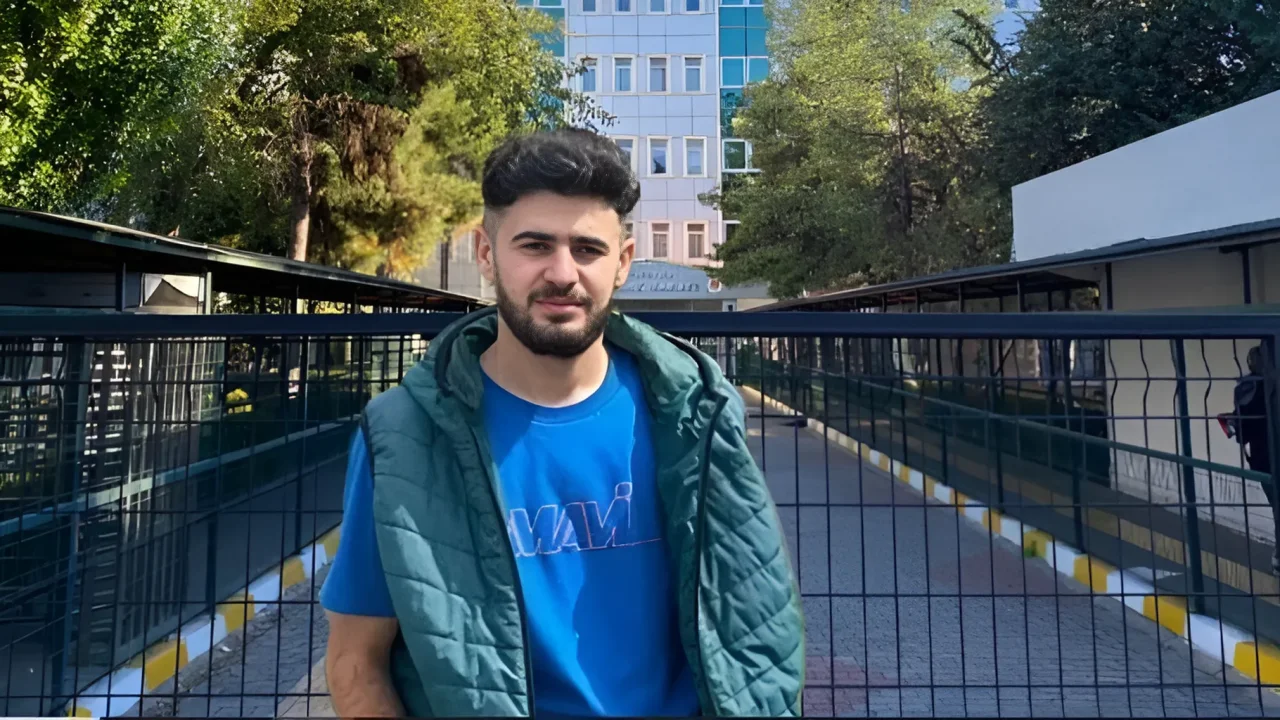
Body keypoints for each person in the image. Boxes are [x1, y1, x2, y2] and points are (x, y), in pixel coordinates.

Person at [318, 128, 804, 718]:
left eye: (588, 249)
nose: (563, 273)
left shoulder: (696, 413)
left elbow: (755, 633)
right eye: (535, 245)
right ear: (486, 253)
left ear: (623, 262)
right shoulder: (405, 436)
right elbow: (356, 663)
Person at [1224, 345, 1278, 574]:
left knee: (1277, 507)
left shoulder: (1247, 387)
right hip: (1267, 455)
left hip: (1262, 458)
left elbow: (1242, 430)